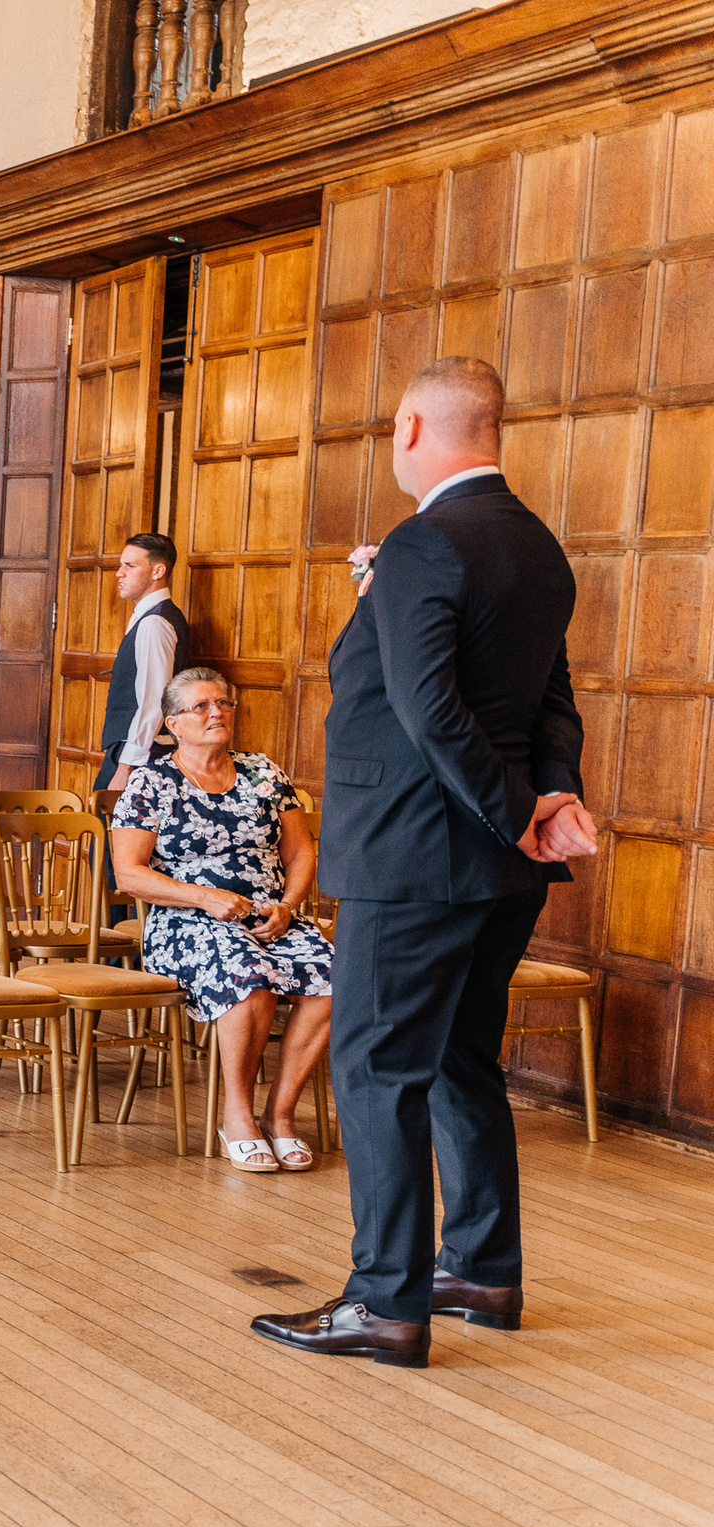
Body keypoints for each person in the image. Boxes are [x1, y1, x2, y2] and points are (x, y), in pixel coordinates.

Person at [254, 356, 593, 1368]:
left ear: (410, 429)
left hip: (413, 854)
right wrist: (545, 801)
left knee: (373, 1067)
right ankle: (481, 1268)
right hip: (495, 867)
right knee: (457, 1059)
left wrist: (511, 815)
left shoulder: (422, 543)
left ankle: (383, 1301)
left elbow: (429, 713)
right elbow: (549, 701)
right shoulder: (535, 549)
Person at [110, 668, 334, 1173]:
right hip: (185, 922)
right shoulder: (152, 782)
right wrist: (204, 898)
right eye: (202, 707)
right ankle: (237, 1115)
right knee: (247, 975)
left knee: (334, 978)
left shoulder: (263, 773)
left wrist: (288, 905)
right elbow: (129, 874)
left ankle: (280, 1114)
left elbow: (300, 853)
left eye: (224, 704)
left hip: (270, 917)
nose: (217, 713)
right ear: (172, 724)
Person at [97, 532, 190, 790]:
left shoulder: (154, 623)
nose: (119, 573)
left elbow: (153, 702)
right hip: (132, 752)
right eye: (120, 565)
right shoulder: (148, 617)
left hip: (141, 758)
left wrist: (126, 768)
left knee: (111, 826)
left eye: (130, 565)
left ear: (157, 571)